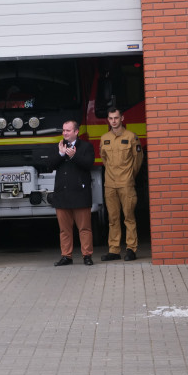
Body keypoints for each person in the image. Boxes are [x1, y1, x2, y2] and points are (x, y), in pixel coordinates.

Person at [99, 108, 144, 262]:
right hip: (110, 184)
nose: (113, 121)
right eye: (111, 118)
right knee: (113, 218)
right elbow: (104, 159)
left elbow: (137, 160)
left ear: (122, 118)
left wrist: (130, 176)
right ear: (108, 119)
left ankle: (131, 249)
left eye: (116, 118)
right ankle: (114, 250)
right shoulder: (104, 138)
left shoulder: (131, 137)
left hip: (126, 183)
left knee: (129, 217)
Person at [52, 120, 95, 266]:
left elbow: (89, 164)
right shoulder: (59, 146)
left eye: (68, 130)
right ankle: (66, 256)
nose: (64, 133)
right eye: (63, 130)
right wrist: (60, 154)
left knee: (84, 228)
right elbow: (49, 165)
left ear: (76, 132)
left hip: (80, 194)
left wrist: (74, 156)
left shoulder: (86, 146)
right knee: (64, 230)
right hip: (62, 195)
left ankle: (87, 255)